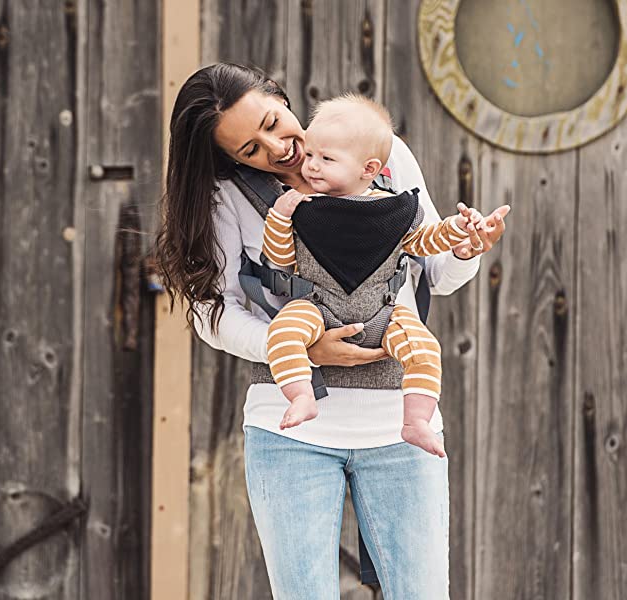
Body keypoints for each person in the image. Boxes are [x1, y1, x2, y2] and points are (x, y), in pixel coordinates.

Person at [154, 62, 509, 599]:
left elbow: (438, 271)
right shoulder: (229, 199)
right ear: (230, 160)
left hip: (398, 423)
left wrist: (464, 248)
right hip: (290, 430)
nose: (277, 148)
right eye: (250, 149)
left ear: (281, 96)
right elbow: (212, 312)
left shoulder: (382, 156)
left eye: (274, 122)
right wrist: (296, 346)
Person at [262, 94, 482, 458]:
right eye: (311, 155)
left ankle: (416, 420)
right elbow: (281, 258)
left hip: (384, 311)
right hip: (318, 308)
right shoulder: (301, 209)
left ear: (368, 169)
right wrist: (279, 218)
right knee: (283, 332)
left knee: (425, 349)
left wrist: (458, 229)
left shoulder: (392, 209)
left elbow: (424, 242)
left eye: (327, 159)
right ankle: (301, 396)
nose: (312, 167)